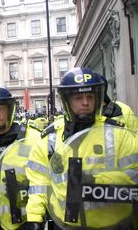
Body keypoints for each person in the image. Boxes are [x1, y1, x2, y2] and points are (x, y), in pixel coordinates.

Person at [24, 67, 138, 229]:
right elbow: (38, 184)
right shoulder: (50, 138)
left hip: (114, 224)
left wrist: (97, 181)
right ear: (67, 101)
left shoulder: (118, 134)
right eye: (78, 97)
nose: (85, 102)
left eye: (90, 96)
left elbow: (134, 176)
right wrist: (34, 217)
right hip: (65, 225)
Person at [0, 87, 41, 230]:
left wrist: (36, 219)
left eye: (2, 109)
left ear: (10, 110)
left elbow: (42, 182)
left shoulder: (32, 138)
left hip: (24, 222)